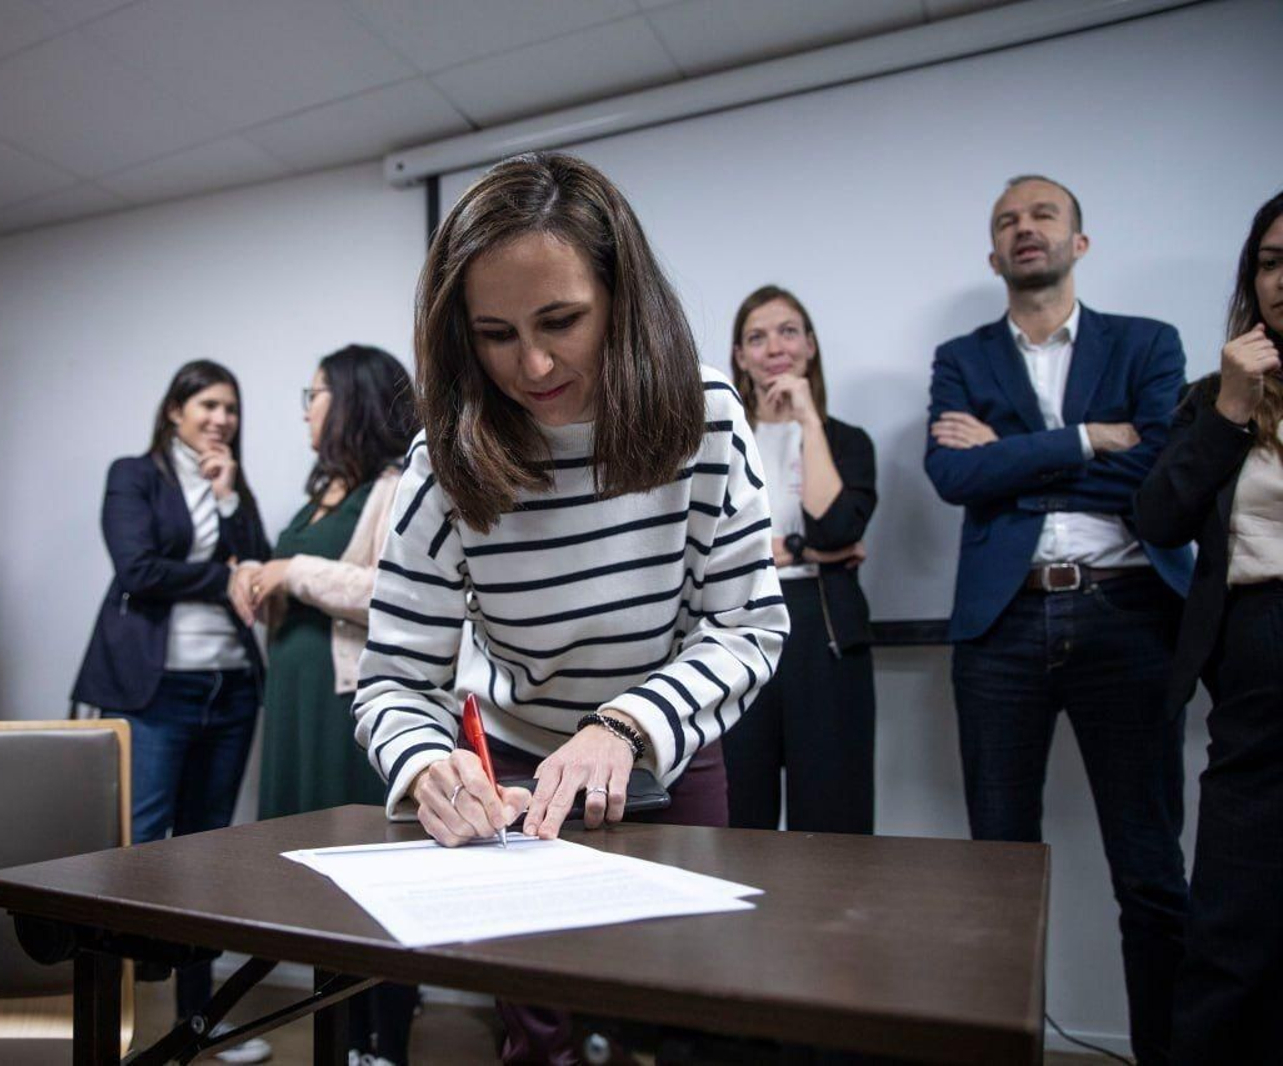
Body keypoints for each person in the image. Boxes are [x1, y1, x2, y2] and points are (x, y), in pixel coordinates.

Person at [352, 152, 788, 1065]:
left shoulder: (704, 414)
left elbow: (748, 623)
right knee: (538, 1030)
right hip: (512, 774)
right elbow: (397, 676)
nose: (535, 364)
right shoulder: (446, 456)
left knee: (677, 1014)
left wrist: (624, 729)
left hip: (666, 754)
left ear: (622, 301)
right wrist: (430, 764)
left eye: (561, 322)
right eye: (496, 334)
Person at [925, 174, 1194, 1065]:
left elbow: (1160, 474)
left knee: (1151, 873)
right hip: (1003, 628)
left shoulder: (1147, 344)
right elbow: (955, 479)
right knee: (999, 874)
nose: (1023, 229)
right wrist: (1088, 439)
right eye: (1006, 221)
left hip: (1128, 617)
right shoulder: (962, 359)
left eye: (1043, 215)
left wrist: (1010, 456)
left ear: (1080, 242)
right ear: (992, 255)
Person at [71, 360, 272, 1061]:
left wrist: (225, 497)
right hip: (157, 687)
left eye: (232, 409)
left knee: (207, 848)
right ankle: (113, 1020)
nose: (222, 419)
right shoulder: (134, 474)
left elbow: (263, 569)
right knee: (144, 845)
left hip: (231, 688)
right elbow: (138, 570)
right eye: (208, 404)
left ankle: (200, 1021)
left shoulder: (232, 484)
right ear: (175, 411)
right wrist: (222, 576)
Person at [231, 344, 420, 1066]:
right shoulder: (322, 492)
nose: (306, 408)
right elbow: (298, 582)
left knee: (371, 886)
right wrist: (254, 579)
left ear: (351, 400)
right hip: (295, 708)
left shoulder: (398, 483)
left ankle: (385, 1044)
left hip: (349, 716)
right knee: (310, 884)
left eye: (314, 394)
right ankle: (335, 1042)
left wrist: (291, 570)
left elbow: (391, 594)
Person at [1136, 190, 1283, 1064]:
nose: (1282, 279)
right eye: (1269, 261)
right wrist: (1230, 409)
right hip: (1258, 660)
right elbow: (1158, 516)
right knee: (1233, 926)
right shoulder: (1214, 398)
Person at [722, 285, 876, 835]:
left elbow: (835, 526)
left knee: (833, 820)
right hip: (736, 632)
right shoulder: (720, 441)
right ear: (739, 355)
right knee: (740, 819)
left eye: (788, 331)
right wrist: (805, 551)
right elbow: (708, 549)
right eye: (757, 337)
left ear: (810, 345)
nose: (774, 347)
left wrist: (808, 420)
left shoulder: (847, 442)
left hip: (823, 632)